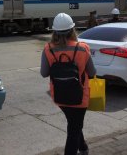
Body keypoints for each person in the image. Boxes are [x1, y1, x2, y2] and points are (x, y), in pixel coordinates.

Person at [40, 13, 96, 155]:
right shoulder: (83, 48)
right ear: (72, 30)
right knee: (74, 128)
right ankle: (78, 149)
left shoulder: (48, 49)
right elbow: (92, 73)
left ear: (55, 32)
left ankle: (83, 148)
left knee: (74, 124)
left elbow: (44, 73)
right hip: (80, 97)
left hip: (60, 97)